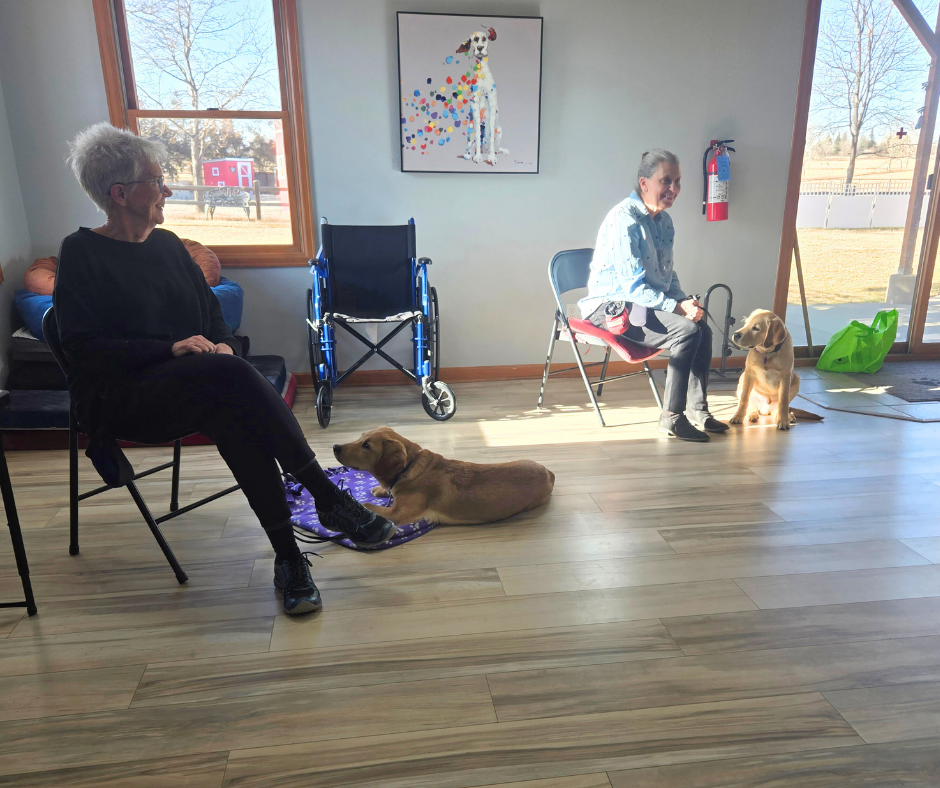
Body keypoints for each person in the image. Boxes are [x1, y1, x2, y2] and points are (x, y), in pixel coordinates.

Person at [55, 122, 397, 616]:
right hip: (126, 399)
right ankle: (326, 496)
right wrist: (169, 349)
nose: (168, 189)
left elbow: (216, 323)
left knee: (232, 400)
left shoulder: (170, 247)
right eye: (157, 179)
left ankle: (288, 559)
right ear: (120, 193)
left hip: (195, 389)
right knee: (231, 383)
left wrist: (224, 349)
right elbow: (82, 348)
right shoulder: (81, 254)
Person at [579, 149, 728, 442]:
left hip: (642, 303)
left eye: (677, 182)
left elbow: (666, 275)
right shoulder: (625, 219)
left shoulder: (664, 222)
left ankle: (699, 410)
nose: (674, 189)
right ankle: (671, 417)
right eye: (666, 181)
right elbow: (634, 288)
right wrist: (676, 307)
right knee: (686, 332)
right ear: (644, 183)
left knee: (702, 329)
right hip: (611, 307)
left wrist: (684, 302)